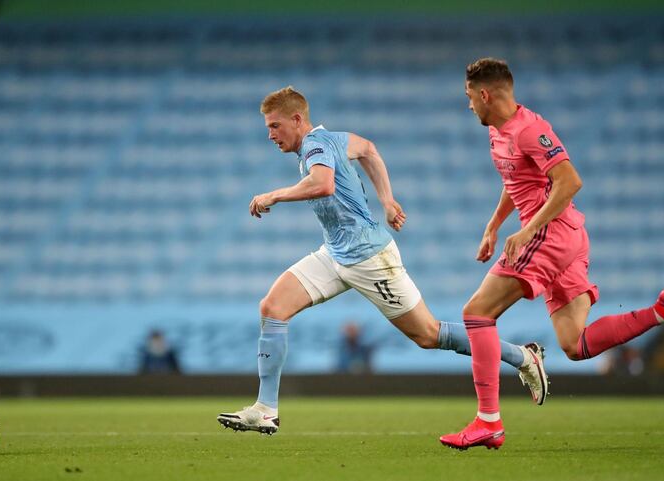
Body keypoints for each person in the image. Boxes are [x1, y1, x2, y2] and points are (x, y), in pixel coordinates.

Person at [217, 86, 549, 435]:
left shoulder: (316, 146)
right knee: (272, 307)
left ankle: (523, 357)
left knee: (429, 334)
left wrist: (273, 195)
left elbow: (323, 184)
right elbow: (369, 149)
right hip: (335, 252)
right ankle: (266, 409)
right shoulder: (333, 139)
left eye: (274, 126)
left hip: (369, 257)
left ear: (297, 119)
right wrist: (387, 200)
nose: (270, 135)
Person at [439, 58, 664, 451]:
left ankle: (489, 421)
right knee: (575, 344)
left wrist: (528, 228)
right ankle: (661, 311)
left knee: (476, 313)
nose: (468, 105)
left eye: (469, 97)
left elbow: (570, 181)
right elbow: (515, 179)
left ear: (485, 94)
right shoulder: (499, 132)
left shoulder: (530, 130)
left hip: (550, 235)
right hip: (564, 236)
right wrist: (494, 225)